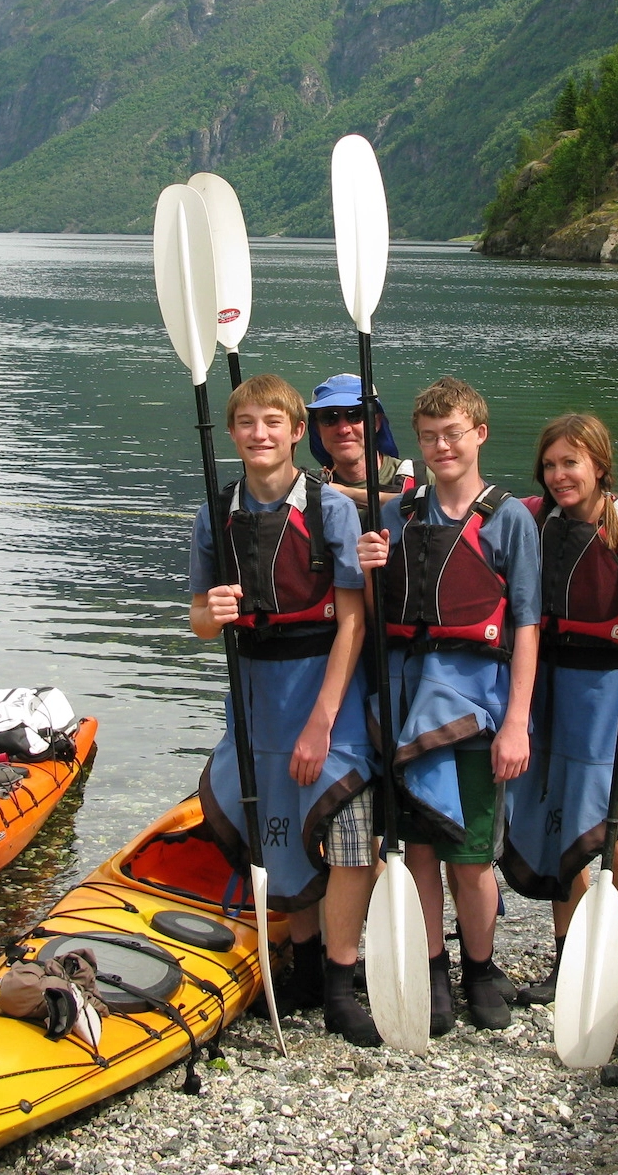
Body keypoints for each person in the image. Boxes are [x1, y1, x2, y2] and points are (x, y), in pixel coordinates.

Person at [188, 373, 381, 1046]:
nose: (260, 434)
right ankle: (299, 968)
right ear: (234, 434)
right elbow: (199, 619)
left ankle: (339, 979)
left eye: (274, 422)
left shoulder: (330, 510)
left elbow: (353, 621)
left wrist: (324, 719)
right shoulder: (217, 514)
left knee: (350, 836)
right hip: (257, 699)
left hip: (327, 692)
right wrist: (209, 617)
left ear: (298, 432)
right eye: (247, 424)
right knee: (276, 828)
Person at [356, 376, 540, 1033]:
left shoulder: (509, 518)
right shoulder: (397, 516)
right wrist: (370, 569)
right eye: (429, 437)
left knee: (469, 855)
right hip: (408, 710)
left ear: (479, 434)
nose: (441, 447)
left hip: (476, 714)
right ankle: (433, 966)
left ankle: (482, 968)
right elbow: (375, 617)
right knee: (422, 852)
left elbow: (525, 624)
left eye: (452, 433)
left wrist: (516, 723)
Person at [501, 413, 618, 1011]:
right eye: (551, 465)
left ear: (599, 465)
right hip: (548, 686)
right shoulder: (532, 518)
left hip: (608, 692)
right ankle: (568, 963)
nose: (559, 476)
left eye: (571, 463)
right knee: (563, 835)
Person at [306, 373, 428, 508]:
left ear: (376, 422)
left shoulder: (424, 478)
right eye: (329, 418)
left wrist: (346, 493)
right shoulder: (307, 495)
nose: (343, 429)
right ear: (317, 428)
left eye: (355, 415)